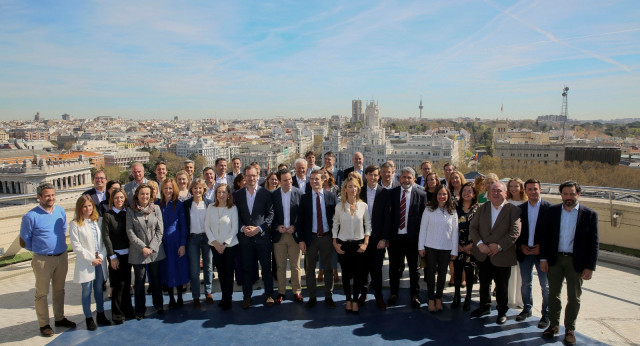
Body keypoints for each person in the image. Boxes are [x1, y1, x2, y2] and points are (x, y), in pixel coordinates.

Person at [540, 181, 598, 345]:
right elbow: (545, 237)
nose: (569, 197)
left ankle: (570, 329)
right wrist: (543, 258)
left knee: (574, 297)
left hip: (577, 262)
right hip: (555, 260)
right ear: (561, 195)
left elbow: (594, 243)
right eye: (565, 194)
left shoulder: (589, 214)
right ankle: (554, 325)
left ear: (578, 194)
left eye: (572, 194)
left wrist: (590, 267)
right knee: (553, 294)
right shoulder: (552, 211)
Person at [20, 183, 76, 337]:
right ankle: (44, 324)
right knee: (42, 293)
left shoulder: (60, 211)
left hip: (61, 257)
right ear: (39, 197)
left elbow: (62, 230)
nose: (51, 198)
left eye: (52, 195)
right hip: (42, 260)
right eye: (47, 196)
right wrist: (42, 250)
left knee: (59, 290)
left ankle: (59, 318)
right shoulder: (30, 216)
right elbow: (24, 242)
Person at [469, 181, 521, 325]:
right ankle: (484, 307)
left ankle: (502, 311)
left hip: (502, 255)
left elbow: (514, 233)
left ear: (505, 193)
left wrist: (498, 247)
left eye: (499, 191)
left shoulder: (513, 210)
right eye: (493, 191)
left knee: (502, 286)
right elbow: (473, 228)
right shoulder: (482, 208)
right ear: (489, 193)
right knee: (484, 283)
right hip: (483, 254)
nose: (496, 193)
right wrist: (480, 245)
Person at [233, 165, 275, 309]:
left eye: (254, 175)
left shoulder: (266, 193)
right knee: (247, 269)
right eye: (248, 176)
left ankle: (269, 294)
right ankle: (246, 296)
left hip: (262, 237)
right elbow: (235, 215)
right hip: (245, 239)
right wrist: (243, 228)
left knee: (266, 268)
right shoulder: (237, 195)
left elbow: (271, 215)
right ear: (244, 177)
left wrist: (259, 228)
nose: (251, 178)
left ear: (258, 176)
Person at [385, 167, 427, 308]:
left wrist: (422, 241)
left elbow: (423, 219)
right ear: (399, 178)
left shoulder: (421, 195)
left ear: (414, 179)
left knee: (414, 270)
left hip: (412, 239)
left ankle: (415, 295)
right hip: (395, 238)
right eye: (404, 177)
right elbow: (387, 218)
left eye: (409, 177)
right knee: (394, 268)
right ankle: (394, 293)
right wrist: (386, 238)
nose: (406, 180)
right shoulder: (391, 194)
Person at [296, 169, 338, 309]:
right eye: (312, 179)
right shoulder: (305, 198)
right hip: (311, 239)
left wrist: (336, 238)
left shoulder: (331, 196)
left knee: (328, 268)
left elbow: (336, 220)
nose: (314, 181)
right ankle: (312, 297)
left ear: (323, 180)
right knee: (309, 270)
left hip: (327, 238)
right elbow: (299, 221)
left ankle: (328, 296)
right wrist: (301, 240)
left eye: (317, 179)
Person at [69, 195, 110, 330]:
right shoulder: (75, 224)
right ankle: (88, 317)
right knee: (86, 291)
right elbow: (77, 246)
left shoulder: (98, 221)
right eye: (85, 206)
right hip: (86, 262)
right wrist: (91, 258)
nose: (88, 209)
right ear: (80, 208)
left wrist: (102, 256)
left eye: (90, 206)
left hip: (99, 261)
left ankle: (100, 313)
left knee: (99, 289)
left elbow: (104, 241)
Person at [126, 183, 166, 320]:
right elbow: (130, 232)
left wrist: (151, 248)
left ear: (151, 195)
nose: (145, 196)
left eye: (147, 194)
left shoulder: (156, 209)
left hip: (155, 251)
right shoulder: (130, 211)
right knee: (139, 282)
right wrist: (143, 247)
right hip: (138, 252)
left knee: (156, 280)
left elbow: (160, 231)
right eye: (142, 193)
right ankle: (140, 310)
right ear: (137, 195)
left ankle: (159, 305)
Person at [333, 176, 372, 314]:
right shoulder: (339, 206)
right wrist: (335, 243)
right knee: (345, 274)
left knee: (358, 275)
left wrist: (365, 243)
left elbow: (368, 225)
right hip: (343, 244)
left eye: (355, 186)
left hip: (359, 245)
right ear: (345, 189)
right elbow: (335, 226)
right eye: (350, 186)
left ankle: (355, 300)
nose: (352, 189)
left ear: (358, 189)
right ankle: (348, 300)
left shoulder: (364, 206)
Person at [515, 178, 551, 328]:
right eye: (529, 189)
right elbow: (515, 231)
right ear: (526, 191)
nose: (532, 192)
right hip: (525, 252)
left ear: (540, 190)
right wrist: (521, 245)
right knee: (525, 283)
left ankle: (546, 314)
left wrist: (543, 249)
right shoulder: (521, 208)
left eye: (535, 189)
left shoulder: (549, 208)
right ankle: (527, 308)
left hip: (541, 254)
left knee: (545, 285)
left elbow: (553, 234)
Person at [419, 185, 458, 313]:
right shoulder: (429, 209)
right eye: (440, 194)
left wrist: (454, 250)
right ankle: (430, 299)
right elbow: (423, 229)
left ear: (448, 196)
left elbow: (455, 232)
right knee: (430, 274)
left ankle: (438, 298)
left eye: (445, 194)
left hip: (446, 248)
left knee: (442, 275)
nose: (442, 197)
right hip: (430, 246)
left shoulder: (452, 211)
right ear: (436, 195)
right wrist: (421, 246)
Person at [102, 187, 134, 324]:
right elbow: (106, 236)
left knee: (127, 284)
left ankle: (127, 309)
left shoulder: (128, 213)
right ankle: (117, 313)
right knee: (117, 285)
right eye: (116, 198)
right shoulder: (108, 216)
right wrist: (112, 256)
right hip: (116, 256)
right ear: (112, 200)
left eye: (121, 197)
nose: (119, 200)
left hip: (129, 254)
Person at [204, 183, 239, 310]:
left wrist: (224, 244)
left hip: (229, 246)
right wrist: (215, 243)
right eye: (219, 192)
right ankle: (224, 296)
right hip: (214, 246)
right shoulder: (210, 207)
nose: (221, 195)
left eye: (224, 192)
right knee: (221, 273)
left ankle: (228, 298)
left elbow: (234, 228)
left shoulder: (233, 208)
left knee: (229, 272)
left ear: (228, 194)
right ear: (215, 194)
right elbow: (207, 226)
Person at [271, 169, 304, 304]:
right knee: (281, 266)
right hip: (279, 236)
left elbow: (303, 215)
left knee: (295, 266)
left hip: (294, 235)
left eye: (290, 179)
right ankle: (281, 292)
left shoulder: (299, 193)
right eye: (285, 180)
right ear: (279, 181)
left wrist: (295, 226)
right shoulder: (273, 195)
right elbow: (269, 216)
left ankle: (297, 291)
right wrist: (277, 226)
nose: (288, 182)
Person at [359, 165, 388, 310]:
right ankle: (363, 294)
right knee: (363, 269)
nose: (373, 177)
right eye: (370, 175)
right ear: (365, 176)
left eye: (376, 175)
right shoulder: (359, 191)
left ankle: (379, 296)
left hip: (378, 240)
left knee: (377, 269)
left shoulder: (384, 193)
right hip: (361, 238)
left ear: (379, 176)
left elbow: (387, 218)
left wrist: (384, 239)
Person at [158, 178, 189, 308]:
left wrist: (182, 244)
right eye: (166, 188)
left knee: (178, 269)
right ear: (162, 189)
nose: (168, 190)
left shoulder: (179, 204)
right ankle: (171, 298)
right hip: (162, 243)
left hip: (176, 241)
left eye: (170, 188)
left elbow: (183, 226)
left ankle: (180, 297)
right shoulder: (157, 205)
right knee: (167, 270)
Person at [183, 178, 213, 307]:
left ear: (204, 189)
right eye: (195, 188)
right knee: (194, 269)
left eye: (200, 188)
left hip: (207, 238)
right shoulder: (186, 204)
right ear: (191, 190)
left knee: (208, 266)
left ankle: (208, 292)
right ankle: (196, 295)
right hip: (192, 239)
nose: (198, 190)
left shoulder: (209, 204)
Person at [453, 182, 478, 311]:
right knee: (457, 273)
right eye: (464, 191)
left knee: (469, 274)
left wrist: (472, 245)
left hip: (471, 247)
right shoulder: (454, 208)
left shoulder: (478, 209)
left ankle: (468, 297)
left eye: (470, 191)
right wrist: (455, 244)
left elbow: (482, 230)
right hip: (457, 246)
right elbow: (450, 228)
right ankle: (456, 295)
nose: (466, 193)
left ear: (474, 194)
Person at [506, 177, 527, 308]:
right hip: (508, 241)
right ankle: (509, 299)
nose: (513, 189)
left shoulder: (526, 203)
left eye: (516, 186)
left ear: (521, 188)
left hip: (522, 242)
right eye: (511, 186)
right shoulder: (506, 203)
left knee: (522, 272)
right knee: (509, 272)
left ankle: (521, 299)